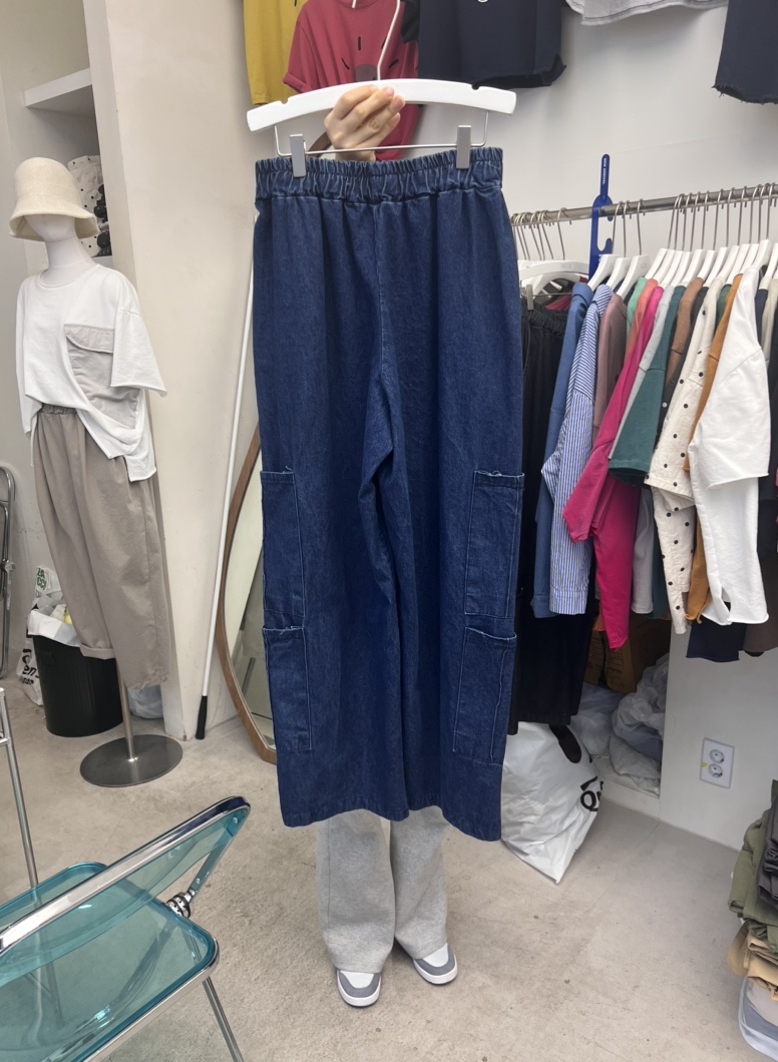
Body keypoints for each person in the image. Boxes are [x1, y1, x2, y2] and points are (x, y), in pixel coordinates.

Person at [305, 84, 459, 1010]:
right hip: (326, 243)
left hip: (445, 243)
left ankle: (421, 913)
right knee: (351, 657)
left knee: (434, 658)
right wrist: (329, 167)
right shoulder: (316, 200)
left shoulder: (453, 197)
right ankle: (358, 923)